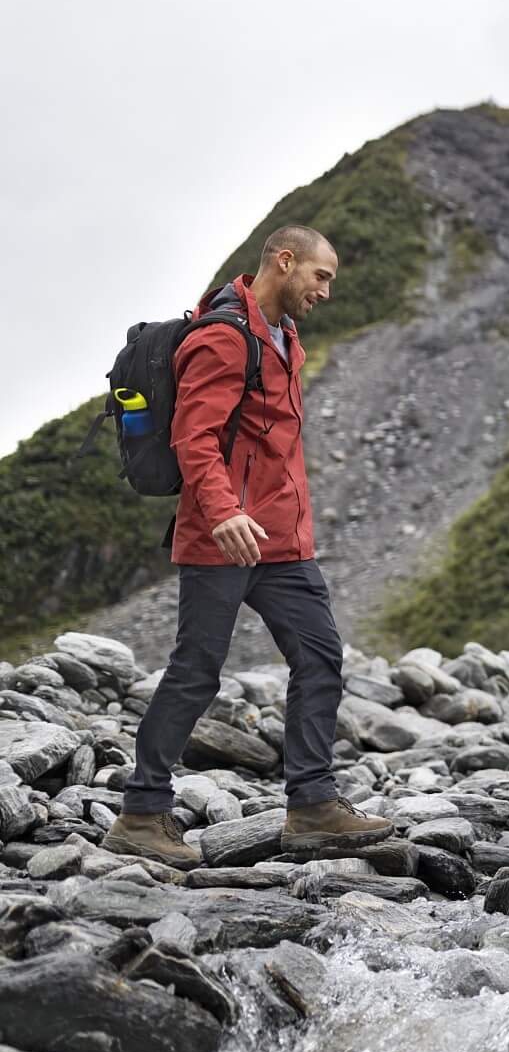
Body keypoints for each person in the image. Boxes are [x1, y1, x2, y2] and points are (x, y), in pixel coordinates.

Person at [102, 226, 394, 867]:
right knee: (196, 671)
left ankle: (313, 805)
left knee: (320, 657)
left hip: (283, 541)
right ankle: (142, 813)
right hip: (222, 539)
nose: (325, 290)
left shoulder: (286, 338)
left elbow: (272, 448)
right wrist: (225, 512)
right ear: (283, 262)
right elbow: (193, 436)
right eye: (320, 276)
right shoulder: (223, 339)